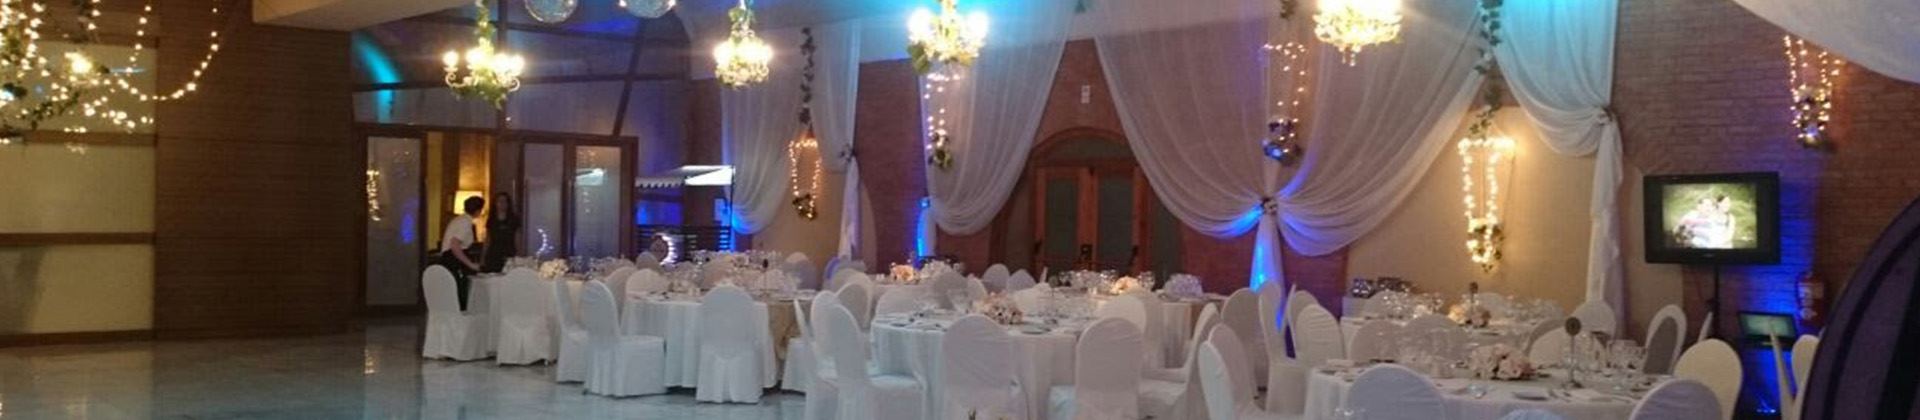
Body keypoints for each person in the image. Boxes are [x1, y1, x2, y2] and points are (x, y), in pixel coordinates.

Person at [439, 196, 485, 311]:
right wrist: (470, 264)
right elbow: (455, 245)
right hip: (453, 260)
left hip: (450, 258)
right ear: (478, 210)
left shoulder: (459, 220)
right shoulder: (465, 223)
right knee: (460, 291)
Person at [481, 192, 520, 272]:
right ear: (495, 203)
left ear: (508, 204)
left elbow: (517, 238)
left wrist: (518, 255)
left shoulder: (513, 219)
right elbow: (488, 239)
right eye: (499, 201)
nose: (502, 204)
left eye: (505, 201)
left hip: (509, 252)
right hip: (493, 253)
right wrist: (483, 257)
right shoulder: (491, 220)